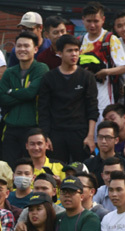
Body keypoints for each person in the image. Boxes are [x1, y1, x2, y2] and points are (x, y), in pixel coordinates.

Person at [39, 35, 98, 163]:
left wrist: (90, 136)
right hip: (56, 132)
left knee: (81, 170)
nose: (74, 54)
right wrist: (46, 136)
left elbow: (92, 108)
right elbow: (43, 110)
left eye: (76, 50)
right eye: (69, 51)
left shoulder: (87, 77)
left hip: (80, 132)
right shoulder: (49, 78)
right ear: (59, 53)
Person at [0, 31, 49, 164]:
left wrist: (11, 91)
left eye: (26, 46)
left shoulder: (41, 68)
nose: (22, 49)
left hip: (32, 128)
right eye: (19, 46)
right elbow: (1, 99)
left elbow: (30, 93)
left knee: (31, 166)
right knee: (9, 167)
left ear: (35, 49)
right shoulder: (9, 72)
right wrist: (25, 92)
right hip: (10, 128)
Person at [79, 2, 125, 117]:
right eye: (89, 21)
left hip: (105, 96)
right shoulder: (80, 40)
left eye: (96, 21)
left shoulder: (110, 39)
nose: (92, 25)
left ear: (103, 20)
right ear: (83, 20)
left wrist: (106, 72)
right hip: (83, 96)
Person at [83, 122, 125, 187]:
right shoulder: (88, 164)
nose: (103, 141)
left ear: (116, 140)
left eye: (108, 137)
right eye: (100, 137)